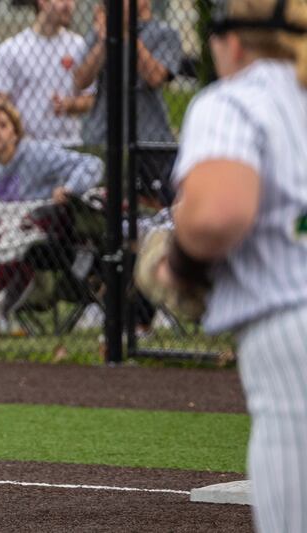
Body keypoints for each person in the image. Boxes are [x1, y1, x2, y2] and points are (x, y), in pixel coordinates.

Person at [136, 1, 307, 530]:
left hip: (289, 323)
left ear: (233, 41)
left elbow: (215, 218)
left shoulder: (236, 101)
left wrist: (180, 262)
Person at [0, 103, 103, 341]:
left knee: (5, 245)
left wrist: (70, 188)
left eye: (2, 125)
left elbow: (92, 164)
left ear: (15, 132)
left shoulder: (37, 153)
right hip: (2, 214)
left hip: (39, 215)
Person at [74, 0, 182, 203]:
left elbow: (156, 77)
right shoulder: (101, 31)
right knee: (101, 203)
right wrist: (104, 41)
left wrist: (128, 33)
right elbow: (80, 80)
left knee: (150, 206)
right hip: (103, 136)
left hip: (148, 138)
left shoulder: (165, 33)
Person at [0, 0, 94, 146]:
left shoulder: (78, 46)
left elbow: (89, 98)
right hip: (26, 144)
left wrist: (70, 104)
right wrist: (18, 130)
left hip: (69, 143)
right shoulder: (12, 48)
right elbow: (0, 101)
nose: (70, 5)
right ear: (42, 2)